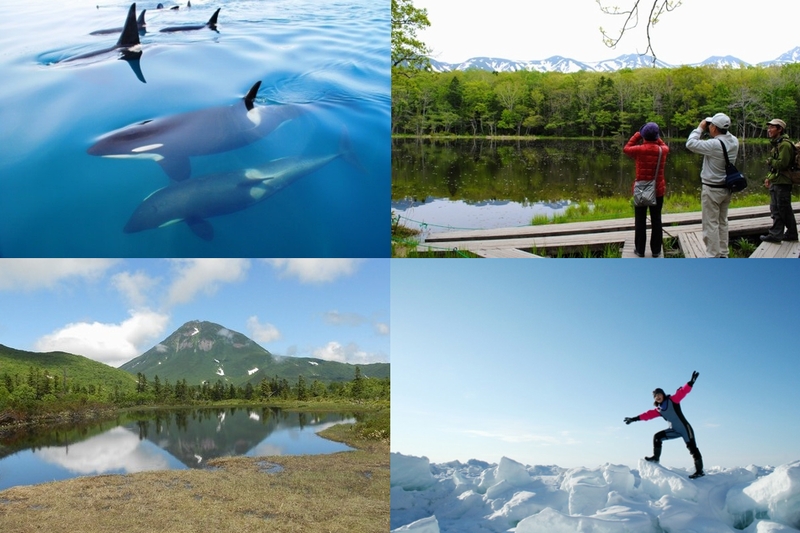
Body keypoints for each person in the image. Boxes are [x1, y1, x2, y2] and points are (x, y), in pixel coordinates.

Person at [624, 371, 704, 479]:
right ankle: (656, 458)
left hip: (685, 429)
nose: (657, 397)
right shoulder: (659, 410)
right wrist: (634, 419)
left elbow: (682, 392)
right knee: (657, 437)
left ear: (663, 394)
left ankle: (700, 471)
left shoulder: (673, 400)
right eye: (655, 396)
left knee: (692, 449)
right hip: (674, 430)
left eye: (659, 394)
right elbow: (647, 415)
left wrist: (690, 383)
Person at [686, 113, 740, 258]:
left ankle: (712, 256)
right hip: (727, 188)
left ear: (715, 128)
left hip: (712, 189)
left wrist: (699, 128)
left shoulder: (715, 144)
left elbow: (690, 144)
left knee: (710, 224)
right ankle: (723, 253)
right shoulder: (734, 141)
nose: (708, 126)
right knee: (722, 222)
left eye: (710, 125)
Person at [624, 122, 669, 257]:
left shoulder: (639, 150)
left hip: (641, 190)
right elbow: (662, 144)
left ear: (643, 136)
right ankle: (656, 251)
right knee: (656, 219)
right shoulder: (663, 150)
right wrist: (656, 137)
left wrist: (638, 134)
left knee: (640, 220)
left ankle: (640, 250)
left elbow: (626, 148)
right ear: (657, 136)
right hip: (658, 190)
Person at [761, 118, 798, 243]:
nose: (769, 130)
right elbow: (775, 169)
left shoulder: (785, 145)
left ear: (780, 129)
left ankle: (791, 233)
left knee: (783, 209)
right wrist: (769, 178)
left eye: (772, 127)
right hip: (777, 181)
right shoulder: (778, 144)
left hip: (783, 182)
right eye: (769, 127)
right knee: (775, 209)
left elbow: (782, 164)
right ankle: (776, 234)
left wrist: (770, 160)